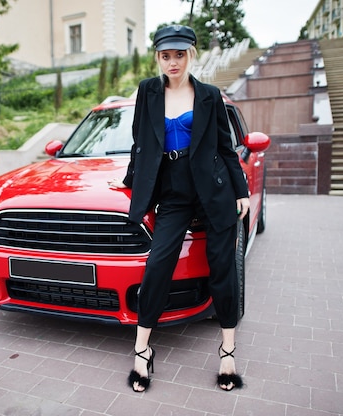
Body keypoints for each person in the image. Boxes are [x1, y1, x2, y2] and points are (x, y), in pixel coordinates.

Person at [108, 25, 249, 393]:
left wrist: (241, 190)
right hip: (171, 192)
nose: (173, 62)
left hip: (213, 191)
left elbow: (225, 147)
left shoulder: (209, 95)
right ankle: (142, 350)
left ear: (192, 54)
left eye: (180, 54)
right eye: (166, 55)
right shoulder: (148, 92)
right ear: (157, 56)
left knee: (222, 269)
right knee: (157, 265)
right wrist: (130, 182)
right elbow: (141, 141)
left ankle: (228, 351)